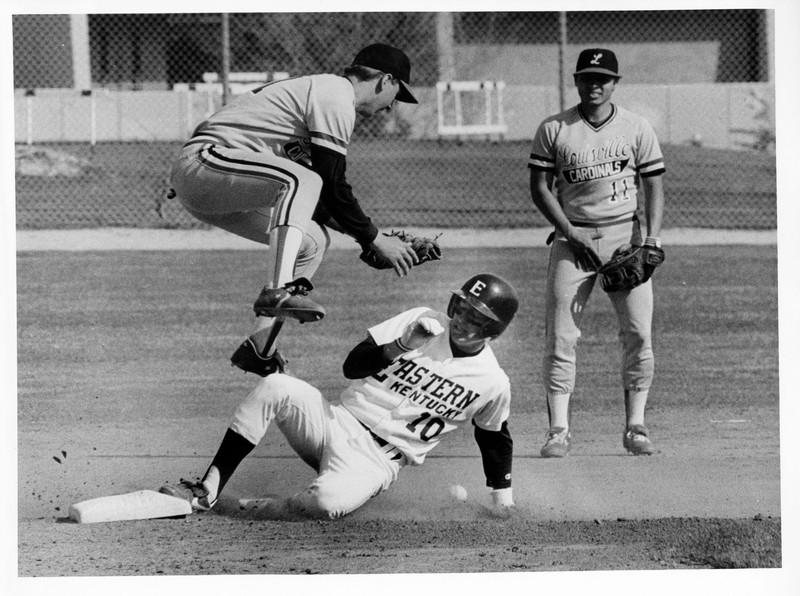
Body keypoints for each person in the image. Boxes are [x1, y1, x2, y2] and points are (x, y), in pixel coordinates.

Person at [160, 273, 519, 519]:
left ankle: (248, 507)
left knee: (326, 504)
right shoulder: (423, 320)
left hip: (376, 462)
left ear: (492, 330)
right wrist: (402, 344)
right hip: (335, 421)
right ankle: (207, 488)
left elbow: (494, 440)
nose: (460, 319)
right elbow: (352, 366)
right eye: (461, 308)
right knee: (276, 386)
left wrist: (502, 501)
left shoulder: (491, 381)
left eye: (474, 317)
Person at [168, 43, 421, 377]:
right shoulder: (335, 94)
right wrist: (373, 238)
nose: (391, 106)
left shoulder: (318, 101)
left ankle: (259, 348)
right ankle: (277, 291)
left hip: (216, 186)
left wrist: (371, 238)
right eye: (397, 94)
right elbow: (330, 183)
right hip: (205, 162)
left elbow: (315, 200)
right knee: (303, 178)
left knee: (313, 241)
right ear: (385, 80)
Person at [527, 48, 666, 457]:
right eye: (587, 77)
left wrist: (652, 238)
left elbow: (654, 185)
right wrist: (570, 232)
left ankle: (636, 425)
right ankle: (558, 430)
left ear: (615, 83)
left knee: (639, 333)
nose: (595, 85)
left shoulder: (636, 127)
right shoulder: (555, 128)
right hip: (573, 242)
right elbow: (539, 188)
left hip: (626, 239)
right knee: (560, 337)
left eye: (603, 78)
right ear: (576, 81)